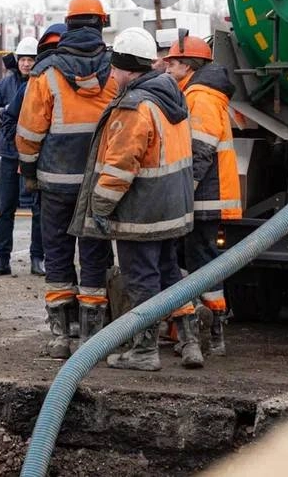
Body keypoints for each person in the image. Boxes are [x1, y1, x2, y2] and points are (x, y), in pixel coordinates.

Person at [72, 26, 196, 371]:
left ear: (127, 69)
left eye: (114, 69)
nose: (111, 75)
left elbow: (121, 165)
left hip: (141, 214)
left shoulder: (134, 106)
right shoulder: (171, 98)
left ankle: (144, 352)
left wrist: (99, 206)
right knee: (169, 273)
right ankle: (190, 340)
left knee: (141, 280)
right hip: (171, 210)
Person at [17, 0, 117, 358]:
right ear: (100, 24)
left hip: (56, 182)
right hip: (99, 183)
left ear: (69, 25)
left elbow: (29, 130)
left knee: (58, 255)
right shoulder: (115, 68)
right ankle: (93, 338)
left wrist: (28, 170)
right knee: (94, 255)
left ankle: (61, 337)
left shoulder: (46, 72)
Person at [164, 34, 241, 357]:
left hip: (205, 199)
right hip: (207, 197)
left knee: (203, 264)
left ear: (187, 65)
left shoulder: (201, 96)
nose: (166, 68)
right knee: (199, 262)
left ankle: (213, 332)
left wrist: (184, 192)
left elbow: (200, 151)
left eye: (172, 63)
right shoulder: (198, 92)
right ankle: (204, 329)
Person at [2, 23, 68, 276]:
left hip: (70, 172)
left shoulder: (87, 82)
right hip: (45, 169)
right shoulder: (33, 85)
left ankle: (42, 260)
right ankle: (37, 261)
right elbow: (10, 119)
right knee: (41, 216)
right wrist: (24, 156)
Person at [0, 36, 41, 276]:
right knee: (6, 209)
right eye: (23, 59)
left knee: (38, 210)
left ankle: (38, 258)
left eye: (31, 59)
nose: (26, 64)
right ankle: (2, 259)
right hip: (9, 156)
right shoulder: (4, 85)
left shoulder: (41, 85)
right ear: (17, 61)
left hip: (34, 155)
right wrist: (6, 112)